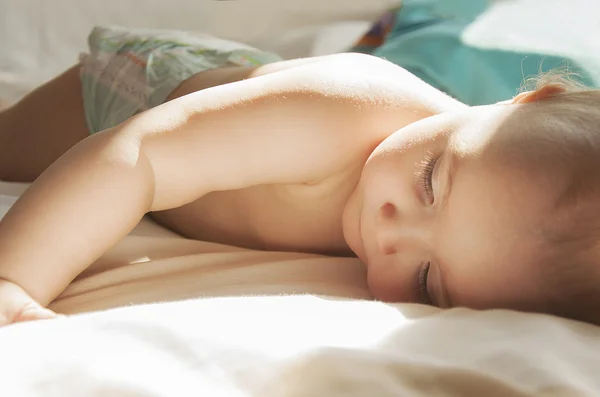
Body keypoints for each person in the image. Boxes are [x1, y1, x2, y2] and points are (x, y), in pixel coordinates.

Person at [0, 26, 599, 327]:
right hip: (140, 99)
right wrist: (14, 277)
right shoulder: (343, 111)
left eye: (426, 280)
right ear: (518, 102)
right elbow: (141, 157)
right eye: (431, 182)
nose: (393, 231)